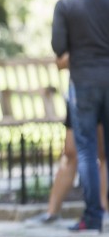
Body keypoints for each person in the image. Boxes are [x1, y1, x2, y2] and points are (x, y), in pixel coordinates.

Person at [51, 0, 109, 232]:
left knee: (86, 151)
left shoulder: (66, 5)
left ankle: (94, 217)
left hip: (83, 82)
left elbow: (59, 49)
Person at [27, 74, 108, 225]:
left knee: (103, 153)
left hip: (102, 84)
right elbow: (61, 60)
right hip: (80, 88)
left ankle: (104, 209)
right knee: (70, 153)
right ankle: (52, 212)